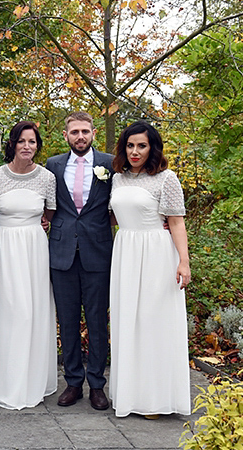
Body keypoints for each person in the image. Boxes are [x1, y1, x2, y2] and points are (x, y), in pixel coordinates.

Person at [109, 121, 192, 418]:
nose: (135, 151)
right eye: (130, 145)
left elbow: (177, 222)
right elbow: (114, 217)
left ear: (152, 147)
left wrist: (183, 261)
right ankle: (131, 395)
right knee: (128, 321)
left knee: (153, 322)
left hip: (157, 253)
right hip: (126, 252)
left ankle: (156, 398)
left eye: (141, 146)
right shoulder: (118, 178)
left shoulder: (166, 179)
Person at [0, 122, 58, 409]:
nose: (27, 146)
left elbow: (49, 211)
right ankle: (4, 380)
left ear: (38, 145)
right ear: (12, 144)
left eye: (32, 141)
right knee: (9, 311)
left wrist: (40, 224)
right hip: (5, 247)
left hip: (34, 248)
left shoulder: (47, 178)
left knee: (31, 311)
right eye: (22, 141)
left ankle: (32, 379)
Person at [45, 112, 114, 411]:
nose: (80, 137)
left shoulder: (110, 164)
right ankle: (73, 381)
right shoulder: (53, 165)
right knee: (68, 320)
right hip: (62, 252)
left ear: (94, 133)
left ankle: (97, 384)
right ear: (66, 135)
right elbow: (47, 203)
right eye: (74, 132)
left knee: (97, 321)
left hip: (97, 251)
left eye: (85, 131)